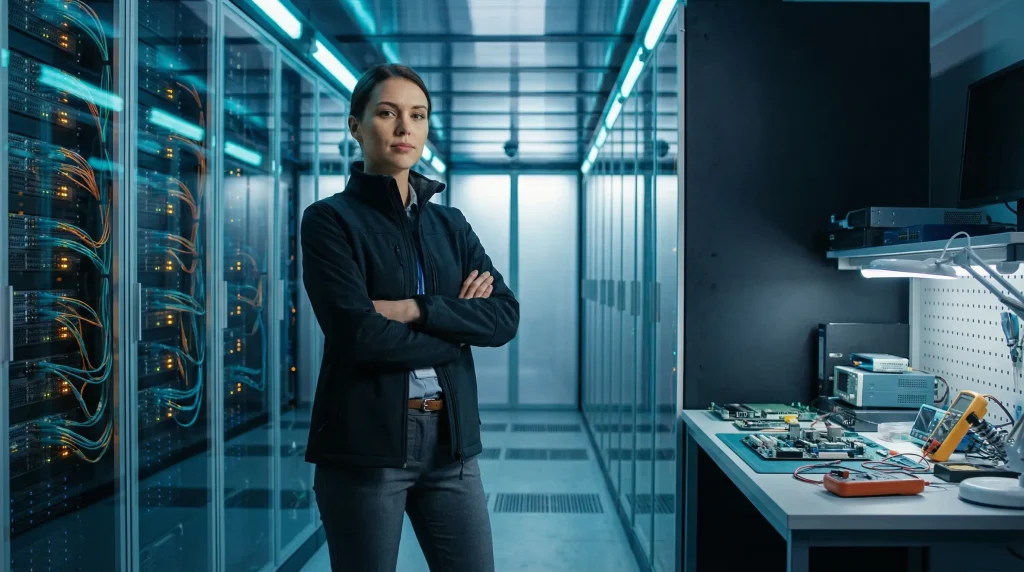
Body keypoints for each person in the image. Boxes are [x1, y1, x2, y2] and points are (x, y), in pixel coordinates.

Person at [300, 63, 519, 572]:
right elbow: (360, 335)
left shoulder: (451, 225)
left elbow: (504, 316)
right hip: (365, 448)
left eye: (417, 115)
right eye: (387, 113)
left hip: (451, 445)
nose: (405, 128)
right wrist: (456, 331)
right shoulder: (330, 221)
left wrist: (415, 309)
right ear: (356, 126)